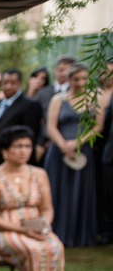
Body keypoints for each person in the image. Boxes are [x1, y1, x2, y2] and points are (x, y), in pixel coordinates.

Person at [0, 126, 84, 271]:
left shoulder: (39, 174)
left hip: (35, 226)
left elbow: (47, 208)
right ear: (5, 150)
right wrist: (22, 229)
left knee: (55, 247)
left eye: (27, 146)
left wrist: (44, 225)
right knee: (35, 249)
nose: (24, 151)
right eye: (18, 146)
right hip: (4, 230)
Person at [43, 62, 107, 247]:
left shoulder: (96, 99)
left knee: (80, 191)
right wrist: (63, 144)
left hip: (83, 150)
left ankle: (79, 235)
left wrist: (77, 143)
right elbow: (50, 126)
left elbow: (98, 126)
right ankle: (56, 231)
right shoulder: (58, 99)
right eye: (76, 79)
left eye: (84, 78)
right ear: (69, 80)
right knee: (57, 191)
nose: (80, 82)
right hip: (59, 150)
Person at [0, 69, 43, 159]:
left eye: (13, 83)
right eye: (5, 83)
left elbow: (31, 133)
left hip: (13, 157)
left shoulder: (30, 105)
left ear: (20, 84)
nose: (8, 86)